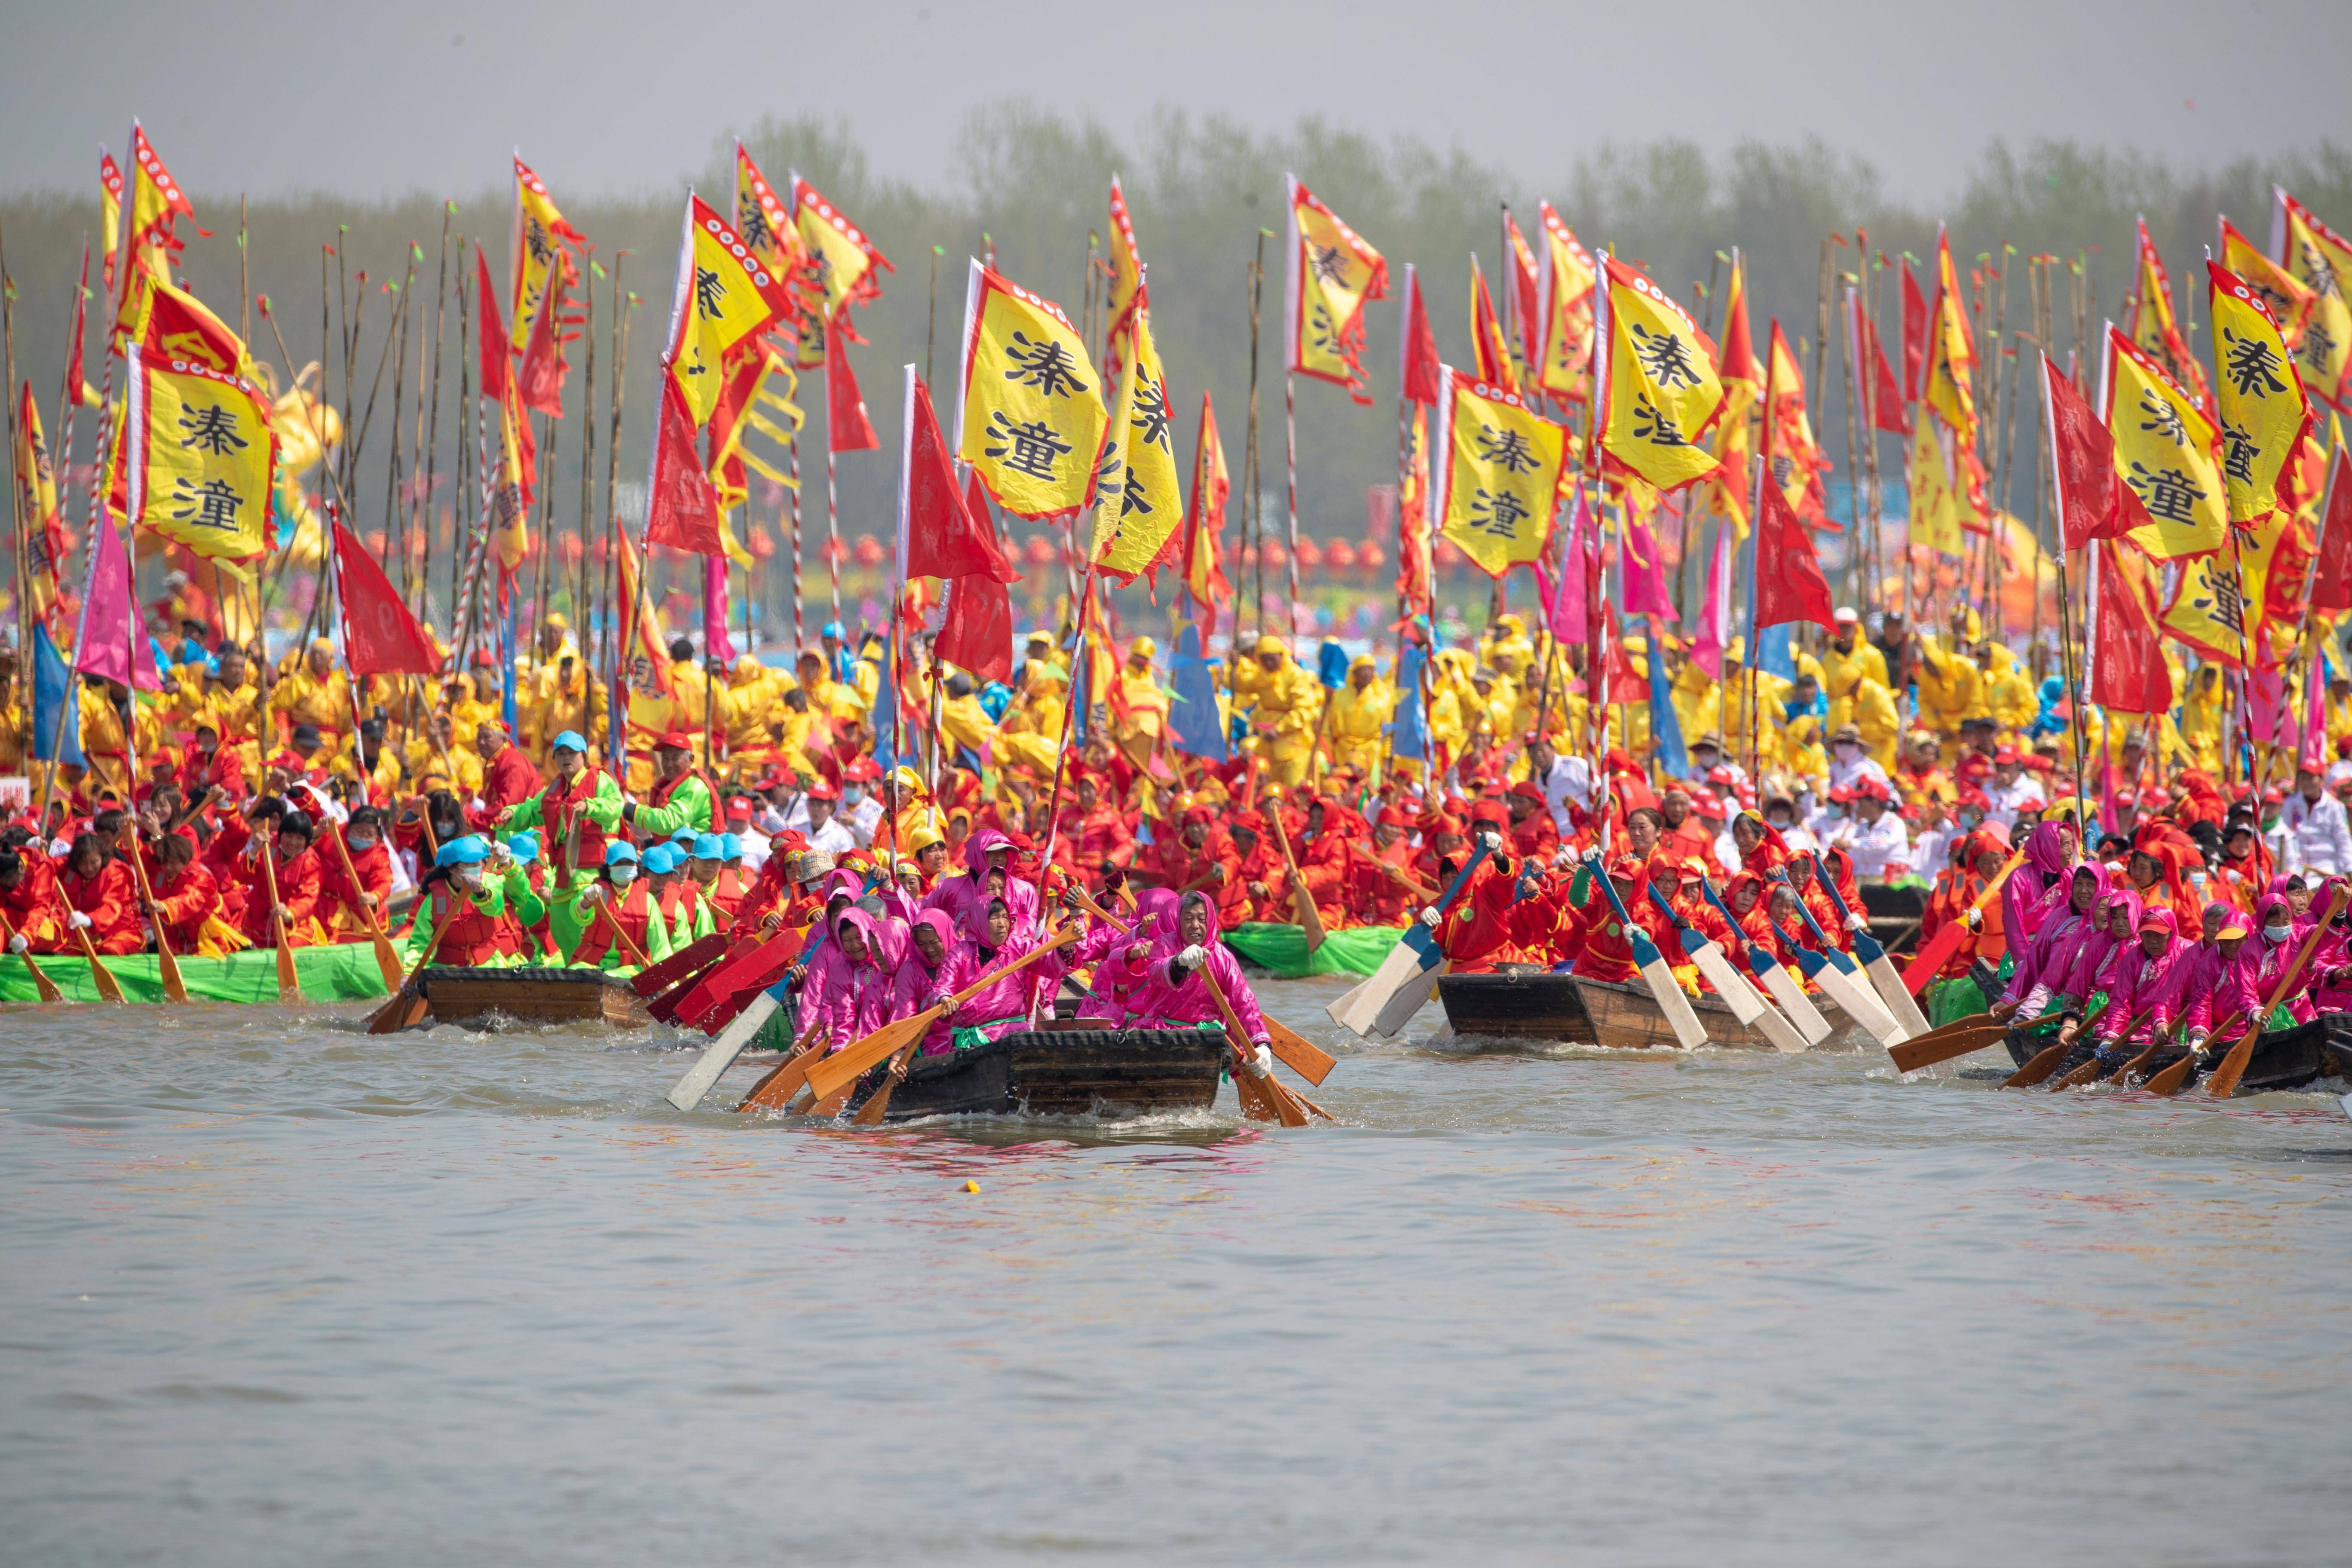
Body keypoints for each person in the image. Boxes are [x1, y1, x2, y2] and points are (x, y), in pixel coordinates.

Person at [2278, 766, 2352, 878]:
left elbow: (2343, 839)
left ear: (2322, 779)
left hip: (2327, 866)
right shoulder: (2290, 803)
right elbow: (2285, 835)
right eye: (2303, 778)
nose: (2307, 782)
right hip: (2297, 867)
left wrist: (2349, 868)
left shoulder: (2335, 806)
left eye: (2311, 778)